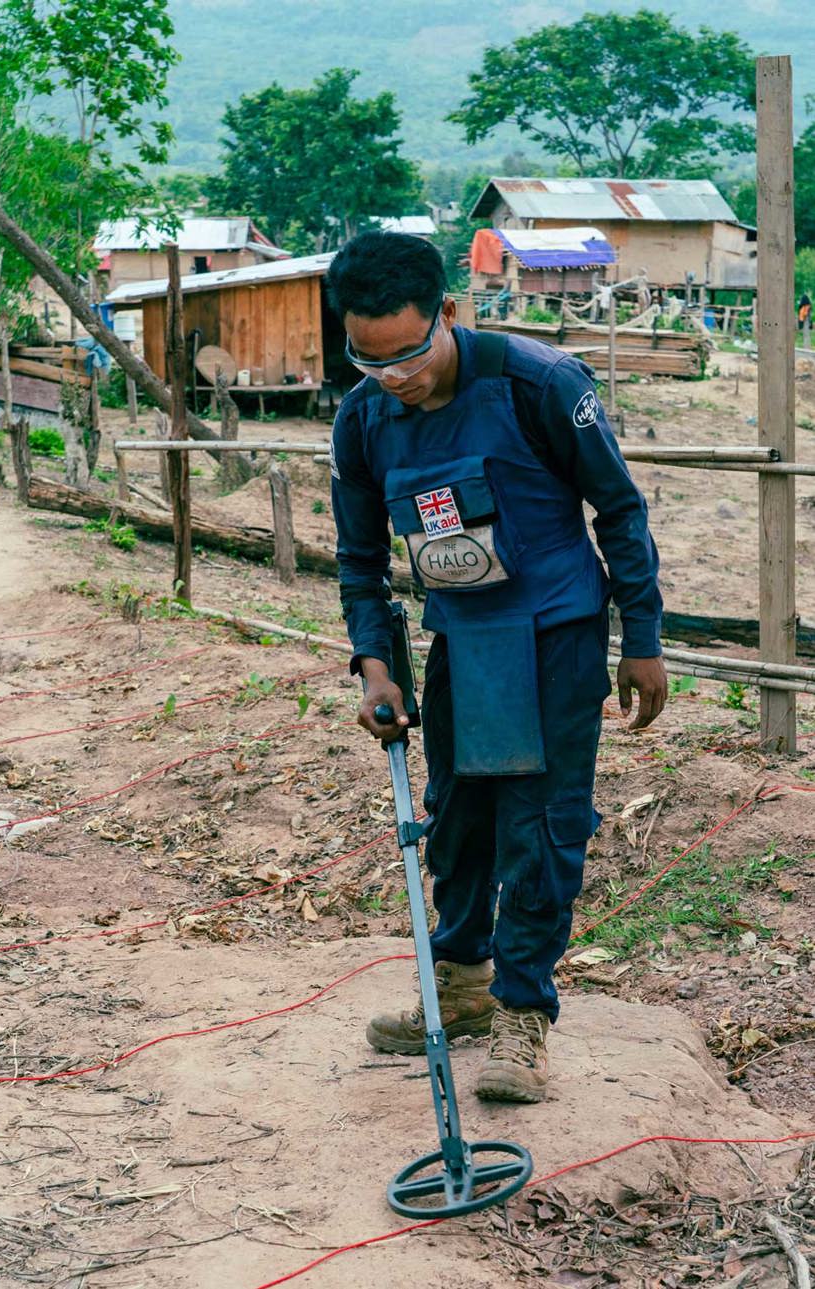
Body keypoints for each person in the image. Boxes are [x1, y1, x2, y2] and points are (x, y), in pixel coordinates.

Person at [327, 232, 666, 1104]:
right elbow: (361, 561)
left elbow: (619, 510)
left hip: (557, 630)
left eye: (406, 355)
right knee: (459, 820)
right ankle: (465, 983)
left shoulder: (538, 383)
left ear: (448, 312)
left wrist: (645, 637)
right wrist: (375, 666)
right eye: (368, 361)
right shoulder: (363, 421)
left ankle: (524, 1014)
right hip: (463, 641)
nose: (392, 376)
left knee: (543, 826)